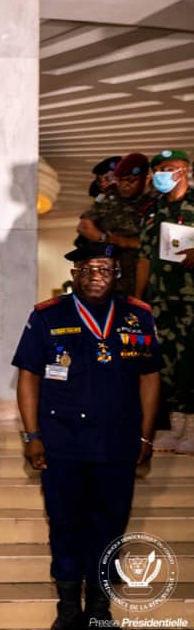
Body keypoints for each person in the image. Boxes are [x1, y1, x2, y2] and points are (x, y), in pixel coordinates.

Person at [13, 241, 160, 630]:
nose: (97, 276)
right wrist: (32, 436)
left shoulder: (137, 316)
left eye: (105, 269)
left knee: (110, 527)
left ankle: (99, 610)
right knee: (65, 525)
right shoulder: (48, 315)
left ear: (116, 275)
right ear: (74, 274)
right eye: (89, 269)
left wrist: (146, 434)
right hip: (63, 443)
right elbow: (29, 376)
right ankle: (67, 611)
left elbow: (150, 377)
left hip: (117, 442)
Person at [136, 149, 194, 451]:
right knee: (166, 363)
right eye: (158, 169)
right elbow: (144, 258)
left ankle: (192, 427)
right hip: (160, 300)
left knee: (191, 362)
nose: (162, 174)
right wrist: (138, 299)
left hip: (191, 298)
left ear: (184, 170)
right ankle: (174, 426)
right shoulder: (152, 210)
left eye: (169, 168)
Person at [76, 152, 155, 296]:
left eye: (130, 180)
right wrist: (105, 239)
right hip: (116, 276)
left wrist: (126, 242)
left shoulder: (157, 197)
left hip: (151, 276)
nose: (123, 185)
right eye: (119, 180)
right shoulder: (108, 196)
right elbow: (84, 226)